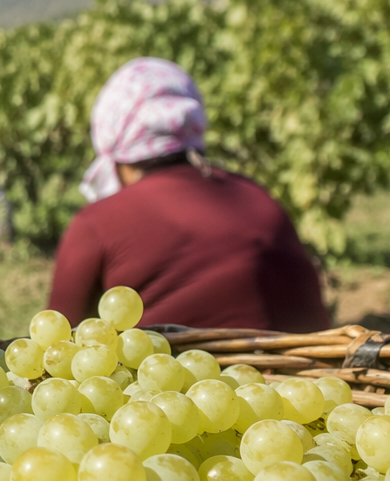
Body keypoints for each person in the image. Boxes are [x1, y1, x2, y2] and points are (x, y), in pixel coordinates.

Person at [47, 58, 328, 332]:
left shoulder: (98, 223)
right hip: (307, 371)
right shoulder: (257, 197)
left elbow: (55, 341)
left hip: (175, 378)